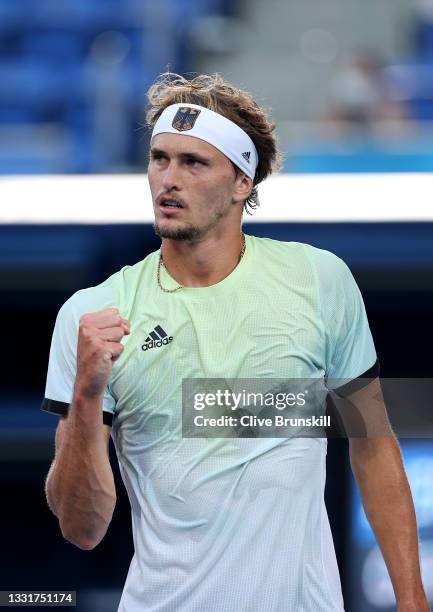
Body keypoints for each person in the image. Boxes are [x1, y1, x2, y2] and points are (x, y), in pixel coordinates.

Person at [42, 73, 429, 612]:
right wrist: (85, 395)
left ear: (242, 183)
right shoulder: (92, 316)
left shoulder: (320, 280)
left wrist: (412, 600)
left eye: (193, 163)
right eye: (159, 159)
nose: (166, 180)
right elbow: (82, 527)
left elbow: (373, 445)